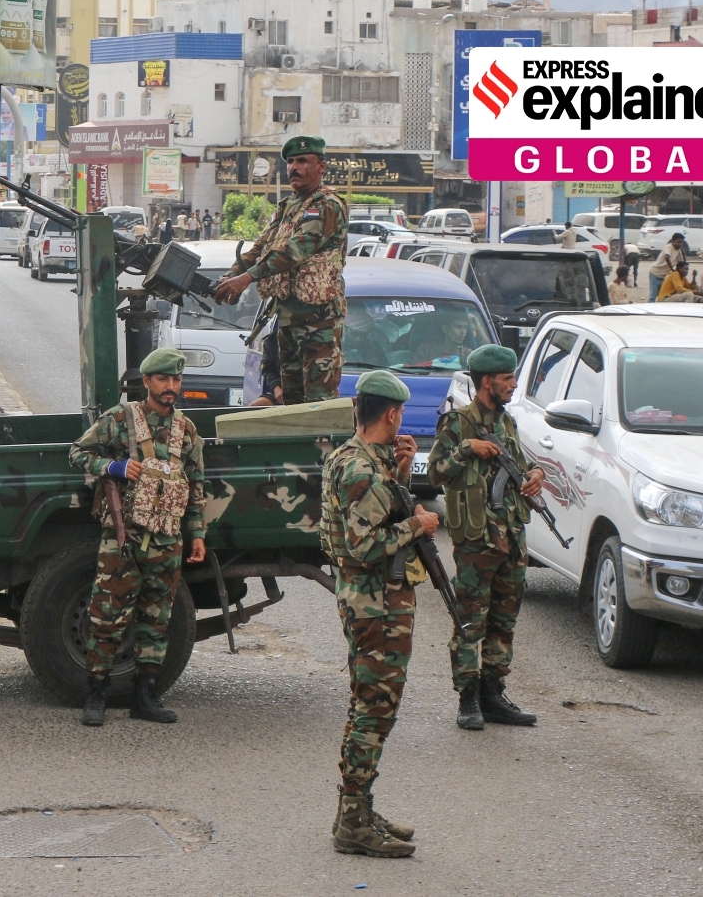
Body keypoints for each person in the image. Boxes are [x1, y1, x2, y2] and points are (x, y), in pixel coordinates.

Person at [319, 370, 439, 858]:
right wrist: (419, 523)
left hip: (368, 602)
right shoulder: (362, 469)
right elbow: (366, 543)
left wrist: (404, 475)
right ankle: (354, 822)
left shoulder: (355, 458)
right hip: (376, 607)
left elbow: (374, 514)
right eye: (401, 415)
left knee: (366, 706)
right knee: (374, 710)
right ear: (390, 414)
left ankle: (357, 810)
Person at [68, 347, 207, 728]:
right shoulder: (121, 419)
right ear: (147, 382)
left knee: (156, 618)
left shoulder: (186, 430)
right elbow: (78, 453)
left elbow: (195, 486)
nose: (170, 387)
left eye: (176, 380)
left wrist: (196, 534)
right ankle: (95, 694)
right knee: (107, 617)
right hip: (123, 537)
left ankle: (145, 695)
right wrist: (112, 466)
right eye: (163, 380)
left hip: (167, 538)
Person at [427, 345, 543, 733]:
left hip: (511, 538)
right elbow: (435, 473)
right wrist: (467, 448)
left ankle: (494, 694)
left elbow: (520, 464)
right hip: (478, 541)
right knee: (469, 623)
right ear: (487, 381)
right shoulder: (460, 422)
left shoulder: (506, 422)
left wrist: (535, 474)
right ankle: (468, 699)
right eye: (507, 379)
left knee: (503, 622)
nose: (513, 384)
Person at [215, 135, 348, 406]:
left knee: (318, 405)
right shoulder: (287, 207)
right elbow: (259, 249)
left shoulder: (327, 205)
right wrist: (229, 278)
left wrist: (246, 279)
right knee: (292, 402)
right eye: (290, 162)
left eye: (302, 161)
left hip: (318, 323)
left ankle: (320, 449)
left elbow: (293, 252)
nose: (294, 167)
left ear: (321, 166)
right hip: (287, 321)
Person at [648, 232, 686, 301]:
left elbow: (681, 263)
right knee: (653, 295)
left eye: (682, 243)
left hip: (663, 276)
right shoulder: (669, 247)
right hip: (655, 273)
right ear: (673, 241)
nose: (680, 244)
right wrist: (672, 269)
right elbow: (667, 257)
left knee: (662, 294)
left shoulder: (679, 251)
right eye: (678, 242)